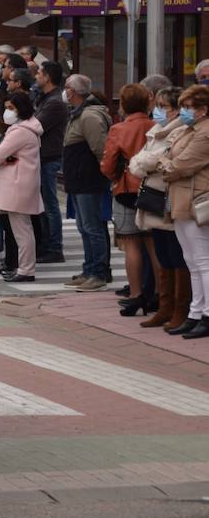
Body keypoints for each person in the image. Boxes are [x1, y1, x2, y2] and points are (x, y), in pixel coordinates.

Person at [131, 87, 191, 331]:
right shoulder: (156, 130)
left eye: (163, 107)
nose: (158, 111)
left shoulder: (179, 130)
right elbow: (137, 163)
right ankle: (165, 307)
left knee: (177, 256)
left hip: (169, 198)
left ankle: (180, 308)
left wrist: (148, 162)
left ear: (176, 109)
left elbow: (157, 160)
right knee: (163, 256)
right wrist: (148, 162)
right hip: (152, 197)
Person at [101, 84, 157, 316]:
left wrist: (114, 175)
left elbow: (108, 164)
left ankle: (136, 295)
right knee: (155, 245)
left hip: (126, 189)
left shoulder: (118, 129)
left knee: (132, 244)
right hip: (154, 190)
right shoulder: (157, 126)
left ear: (123, 104)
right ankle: (161, 295)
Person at [160, 86, 209, 339]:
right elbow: (165, 156)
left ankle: (206, 313)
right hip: (180, 197)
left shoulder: (205, 132)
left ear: (203, 109)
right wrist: (168, 164)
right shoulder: (189, 130)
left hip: (196, 199)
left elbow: (180, 164)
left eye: (190, 107)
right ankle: (195, 311)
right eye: (184, 107)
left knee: (202, 260)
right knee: (191, 260)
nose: (186, 112)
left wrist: (168, 165)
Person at [63, 74, 113, 291]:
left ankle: (98, 272)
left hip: (89, 180)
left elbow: (101, 149)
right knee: (84, 227)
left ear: (72, 91)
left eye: (67, 88)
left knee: (93, 228)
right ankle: (89, 268)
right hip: (79, 180)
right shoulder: (78, 114)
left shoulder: (89, 116)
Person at [0, 92, 43, 283]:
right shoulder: (27, 128)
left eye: (11, 108)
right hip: (20, 183)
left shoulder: (20, 131)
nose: (7, 112)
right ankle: (24, 267)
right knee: (22, 229)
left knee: (22, 230)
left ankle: (26, 270)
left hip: (18, 184)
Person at [33, 61, 67, 262]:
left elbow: (36, 125)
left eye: (39, 72)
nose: (36, 76)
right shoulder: (45, 98)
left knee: (50, 204)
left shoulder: (54, 102)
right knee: (44, 204)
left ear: (47, 77)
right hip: (42, 156)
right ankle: (46, 244)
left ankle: (55, 247)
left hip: (49, 157)